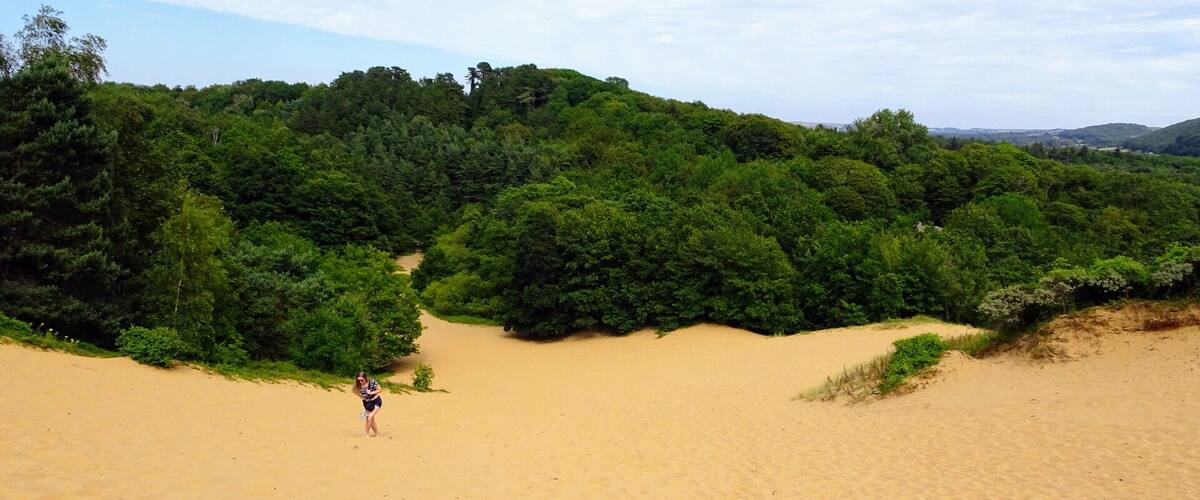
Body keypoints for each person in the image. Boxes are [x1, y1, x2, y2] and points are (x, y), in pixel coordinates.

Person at [353, 372, 383, 437]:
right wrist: (361, 396)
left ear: (365, 378)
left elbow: (380, 390)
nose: (360, 382)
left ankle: (366, 434)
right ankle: (377, 433)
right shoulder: (357, 385)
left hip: (376, 401)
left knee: (369, 418)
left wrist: (371, 393)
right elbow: (353, 391)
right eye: (358, 380)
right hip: (367, 403)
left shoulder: (372, 382)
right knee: (371, 419)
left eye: (362, 380)